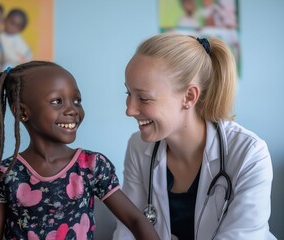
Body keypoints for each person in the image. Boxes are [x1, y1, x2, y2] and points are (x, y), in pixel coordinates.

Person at [112, 33, 276, 239]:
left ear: (189, 96)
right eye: (129, 94)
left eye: (143, 98)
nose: (130, 110)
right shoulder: (138, 147)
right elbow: (128, 230)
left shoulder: (250, 154)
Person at [0, 61, 160, 240]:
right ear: (22, 112)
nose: (72, 109)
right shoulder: (4, 175)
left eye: (76, 100)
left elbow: (136, 220)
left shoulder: (92, 166)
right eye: (57, 101)